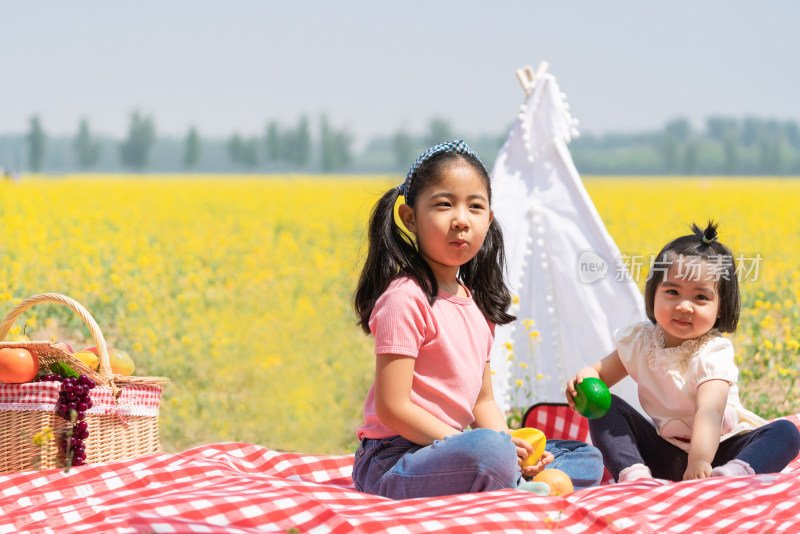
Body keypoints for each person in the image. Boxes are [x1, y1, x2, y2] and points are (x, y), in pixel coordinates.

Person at [352, 140, 604, 499]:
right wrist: (485, 445)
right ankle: (517, 488)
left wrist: (515, 453)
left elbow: (482, 402)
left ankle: (518, 482)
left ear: (488, 218)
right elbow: (393, 409)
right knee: (489, 451)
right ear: (410, 217)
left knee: (585, 455)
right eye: (443, 205)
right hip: (393, 460)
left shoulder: (477, 303)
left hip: (455, 449)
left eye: (475, 207)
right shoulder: (406, 297)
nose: (461, 220)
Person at [566, 221, 800, 483]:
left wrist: (700, 461)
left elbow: (709, 411)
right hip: (666, 451)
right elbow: (599, 374)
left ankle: (733, 476)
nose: (684, 306)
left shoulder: (712, 352)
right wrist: (582, 382)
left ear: (721, 307)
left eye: (700, 298)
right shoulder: (641, 341)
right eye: (672, 292)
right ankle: (634, 475)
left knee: (786, 432)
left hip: (722, 450)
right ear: (654, 294)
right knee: (606, 409)